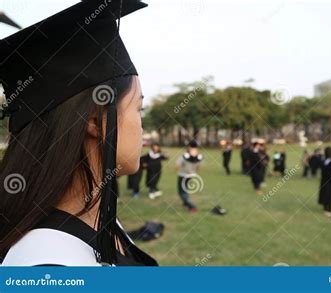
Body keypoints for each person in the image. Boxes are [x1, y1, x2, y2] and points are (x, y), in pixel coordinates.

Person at [0, 0, 157, 266]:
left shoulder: (96, 220)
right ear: (96, 120)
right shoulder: (48, 266)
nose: (143, 128)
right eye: (138, 108)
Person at [176, 140, 203, 212]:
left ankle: (191, 206)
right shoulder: (198, 156)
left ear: (189, 147)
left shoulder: (184, 155)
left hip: (183, 175)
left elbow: (178, 165)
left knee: (182, 192)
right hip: (191, 175)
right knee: (185, 190)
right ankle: (185, 203)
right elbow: (199, 167)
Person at [318, 147, 331, 216]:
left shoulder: (328, 161)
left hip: (328, 180)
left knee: (328, 195)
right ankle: (326, 208)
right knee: (327, 194)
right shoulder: (328, 161)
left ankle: (328, 208)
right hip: (327, 180)